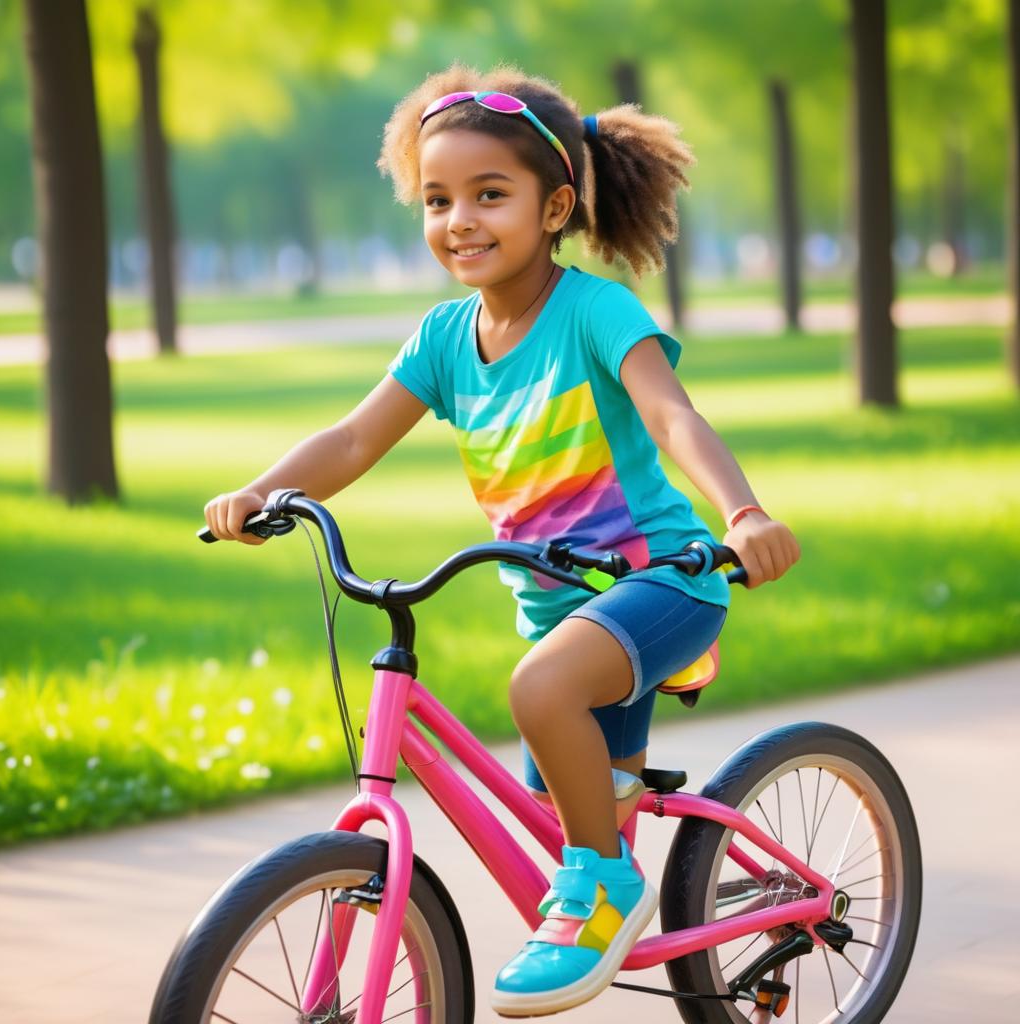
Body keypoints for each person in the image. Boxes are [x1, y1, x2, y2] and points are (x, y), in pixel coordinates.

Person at [204, 64, 800, 1018]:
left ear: (555, 204)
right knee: (559, 796)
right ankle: (615, 883)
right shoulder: (445, 338)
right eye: (438, 200)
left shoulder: (595, 312)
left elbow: (672, 418)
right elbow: (354, 438)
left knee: (542, 701)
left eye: (491, 195)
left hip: (665, 582)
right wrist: (262, 492)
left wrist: (744, 513)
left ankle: (604, 886)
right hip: (560, 605)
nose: (460, 221)